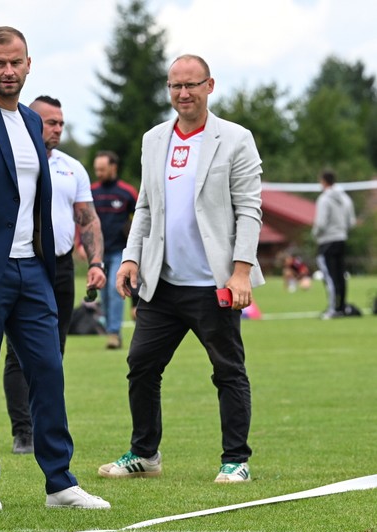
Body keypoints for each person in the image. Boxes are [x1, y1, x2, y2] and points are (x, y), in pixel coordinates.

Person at [0, 26, 111, 510]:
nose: (8, 71)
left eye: (16, 62)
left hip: (34, 269)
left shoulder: (33, 122)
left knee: (49, 371)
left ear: (28, 64)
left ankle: (60, 483)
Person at [99, 54, 264, 484]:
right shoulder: (154, 139)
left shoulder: (236, 138)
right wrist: (132, 257)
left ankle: (236, 460)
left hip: (214, 282)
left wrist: (241, 271)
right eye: (175, 86)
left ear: (210, 86)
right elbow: (147, 206)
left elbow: (249, 209)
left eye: (192, 85)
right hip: (163, 282)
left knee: (227, 370)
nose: (183, 94)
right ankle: (144, 454)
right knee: (141, 365)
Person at [2, 95, 105, 455]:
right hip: (21, 262)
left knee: (53, 350)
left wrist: (95, 263)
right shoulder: (13, 160)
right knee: (17, 352)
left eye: (61, 123)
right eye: (50, 122)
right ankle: (23, 431)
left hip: (60, 265)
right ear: (31, 120)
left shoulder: (71, 167)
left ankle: (47, 426)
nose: (57, 129)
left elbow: (87, 218)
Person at [91, 151, 137, 350]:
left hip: (121, 251)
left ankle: (113, 333)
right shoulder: (91, 192)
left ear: (113, 168)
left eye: (102, 169)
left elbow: (141, 219)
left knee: (113, 289)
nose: (99, 173)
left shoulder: (127, 192)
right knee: (104, 295)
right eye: (96, 170)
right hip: (99, 253)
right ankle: (111, 330)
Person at [312, 170, 356, 319]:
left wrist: (316, 234)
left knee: (330, 276)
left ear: (323, 181)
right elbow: (351, 222)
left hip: (327, 242)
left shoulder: (324, 199)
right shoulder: (346, 199)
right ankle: (341, 306)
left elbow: (321, 223)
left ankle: (333, 309)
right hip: (341, 239)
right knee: (340, 275)